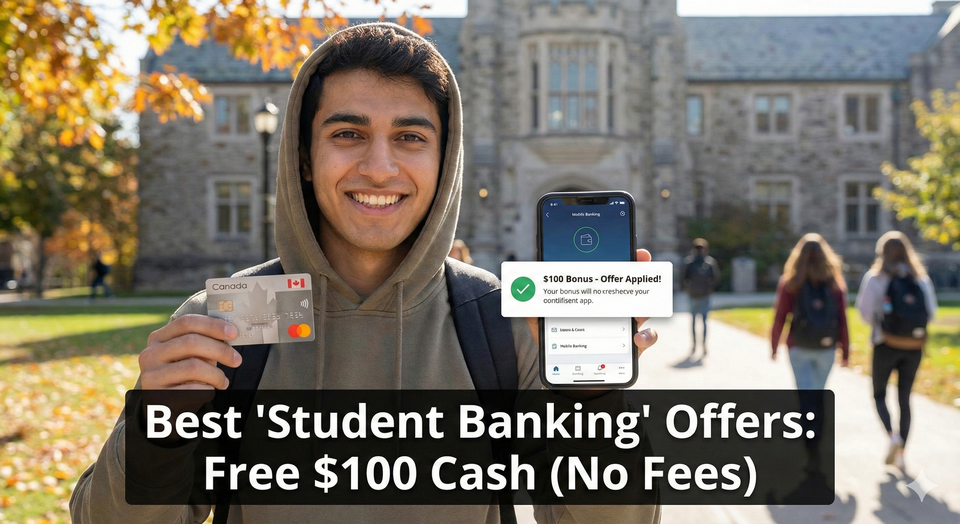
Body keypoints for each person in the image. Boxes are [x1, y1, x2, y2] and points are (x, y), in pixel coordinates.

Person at [70, 23, 660, 523]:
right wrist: (158, 429)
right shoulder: (237, 317)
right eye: (348, 134)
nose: (380, 168)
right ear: (304, 156)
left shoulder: (502, 325)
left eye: (410, 137)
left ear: (444, 160)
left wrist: (594, 403)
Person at [856, 231, 937, 471]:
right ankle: (902, 453)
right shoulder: (919, 278)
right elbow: (931, 311)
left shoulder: (876, 278)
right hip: (913, 346)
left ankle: (892, 435)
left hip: (885, 343)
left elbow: (864, 311)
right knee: (904, 398)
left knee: (879, 394)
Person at [770, 233, 850, 388]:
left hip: (799, 344)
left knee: (804, 393)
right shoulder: (834, 283)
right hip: (826, 344)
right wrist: (845, 350)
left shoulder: (790, 283)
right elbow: (842, 318)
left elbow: (780, 316)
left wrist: (774, 345)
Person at [681, 238, 719, 357]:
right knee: (700, 321)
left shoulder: (692, 262)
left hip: (698, 295)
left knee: (697, 321)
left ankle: (698, 344)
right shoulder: (707, 262)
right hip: (700, 295)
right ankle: (699, 345)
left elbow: (683, 278)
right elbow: (715, 278)